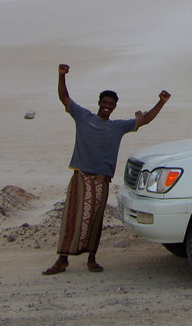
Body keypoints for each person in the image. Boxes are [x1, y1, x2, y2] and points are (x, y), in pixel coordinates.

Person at [42, 63, 170, 276]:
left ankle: (92, 259)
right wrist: (61, 76)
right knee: (72, 216)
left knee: (95, 220)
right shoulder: (83, 117)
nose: (107, 106)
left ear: (114, 107)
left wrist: (161, 102)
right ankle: (62, 259)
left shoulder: (117, 126)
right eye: (105, 102)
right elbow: (64, 98)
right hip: (81, 176)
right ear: (99, 103)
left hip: (101, 180)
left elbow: (145, 119)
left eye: (111, 104)